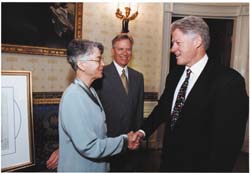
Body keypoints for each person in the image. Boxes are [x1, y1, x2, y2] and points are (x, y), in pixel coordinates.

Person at [136, 16, 249, 172]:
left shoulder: (229, 81)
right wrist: (142, 132)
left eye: (178, 43)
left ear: (197, 42)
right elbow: (163, 108)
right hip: (168, 164)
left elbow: (228, 143)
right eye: (172, 43)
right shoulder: (174, 75)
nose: (172, 48)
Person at [47, 34, 144, 172]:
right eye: (98, 59)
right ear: (82, 64)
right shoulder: (73, 96)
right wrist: (124, 141)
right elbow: (88, 145)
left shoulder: (90, 91)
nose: (103, 64)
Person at [94, 33, 144, 171]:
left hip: (131, 143)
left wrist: (137, 136)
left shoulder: (138, 77)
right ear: (112, 51)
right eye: (120, 49)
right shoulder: (100, 74)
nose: (125, 53)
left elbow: (138, 111)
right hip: (108, 143)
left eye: (128, 49)